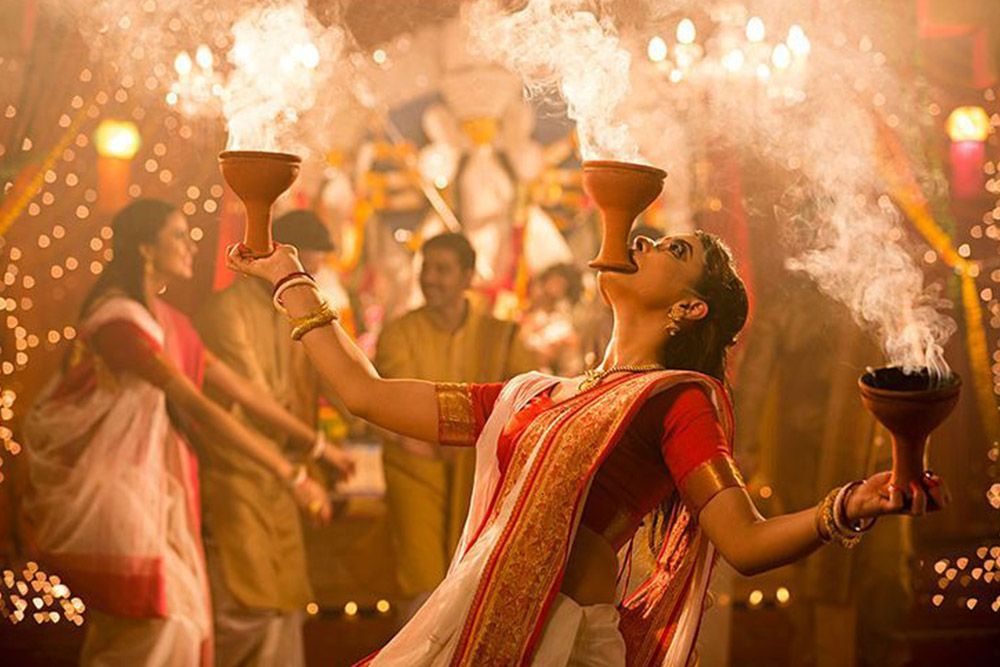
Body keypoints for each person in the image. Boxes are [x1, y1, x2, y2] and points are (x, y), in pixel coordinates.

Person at [227, 230, 949, 666]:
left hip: (565, 648)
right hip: (489, 631)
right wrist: (287, 277)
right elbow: (365, 392)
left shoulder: (677, 398)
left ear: (688, 308)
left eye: (674, 250)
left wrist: (850, 502)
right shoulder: (534, 396)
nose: (643, 242)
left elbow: (744, 539)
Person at [22, 200, 332, 667]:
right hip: (121, 486)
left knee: (181, 621)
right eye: (178, 236)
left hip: (159, 486)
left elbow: (242, 391)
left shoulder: (173, 322)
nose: (191, 246)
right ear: (146, 247)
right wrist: (291, 474)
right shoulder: (119, 320)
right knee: (154, 621)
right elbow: (199, 407)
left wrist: (319, 448)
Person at [195, 209, 355, 667]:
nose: (313, 280)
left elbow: (331, 383)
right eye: (309, 269)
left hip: (286, 482)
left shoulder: (293, 313)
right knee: (249, 613)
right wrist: (319, 447)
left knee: (286, 612)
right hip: (238, 477)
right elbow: (257, 400)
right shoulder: (226, 312)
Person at [374, 232, 536, 607]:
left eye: (443, 270)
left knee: (479, 587)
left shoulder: (500, 337)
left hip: (479, 475)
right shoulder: (399, 333)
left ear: (467, 277)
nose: (430, 278)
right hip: (416, 470)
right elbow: (389, 405)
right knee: (423, 591)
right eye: (426, 268)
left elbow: (529, 402)